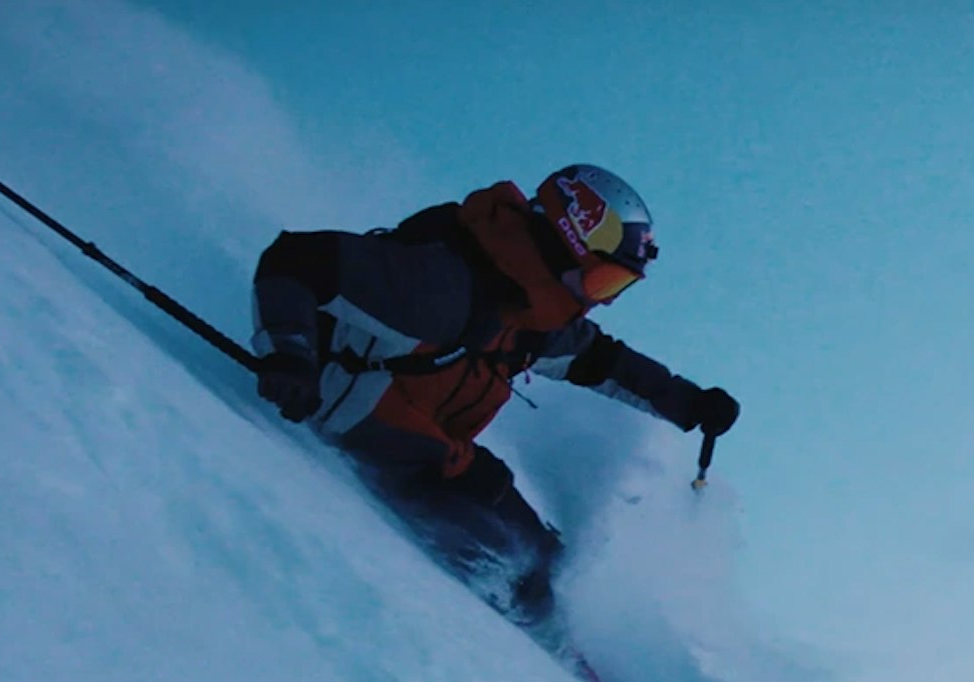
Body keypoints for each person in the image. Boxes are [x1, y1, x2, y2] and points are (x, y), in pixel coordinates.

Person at [249, 164, 739, 622]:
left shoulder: (533, 317)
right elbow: (296, 262)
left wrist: (692, 403)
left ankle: (571, 627)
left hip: (435, 454)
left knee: (554, 562)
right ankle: (519, 633)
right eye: (602, 279)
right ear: (563, 245)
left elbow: (603, 362)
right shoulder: (441, 289)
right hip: (363, 433)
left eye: (617, 286)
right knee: (512, 564)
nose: (603, 300)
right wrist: (290, 354)